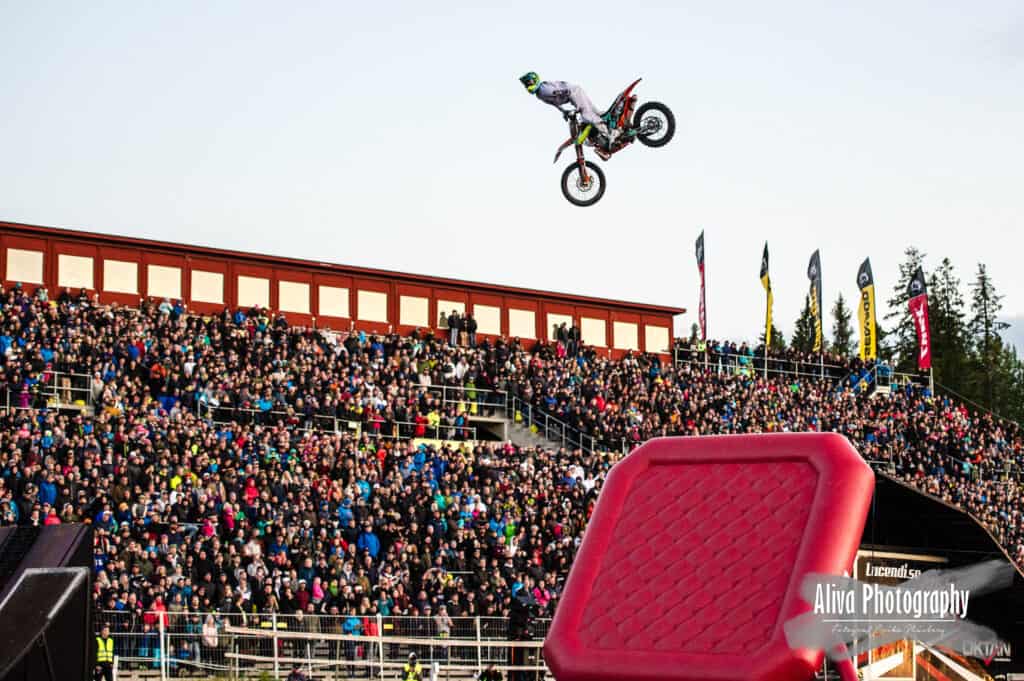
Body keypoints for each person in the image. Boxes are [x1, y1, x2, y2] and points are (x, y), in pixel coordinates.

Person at [519, 71, 618, 152]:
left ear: (535, 80)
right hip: (575, 92)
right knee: (594, 112)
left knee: (587, 116)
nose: (527, 86)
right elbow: (555, 104)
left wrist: (577, 109)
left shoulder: (543, 89)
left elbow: (565, 92)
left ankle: (610, 135)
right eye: (526, 84)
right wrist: (564, 111)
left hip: (574, 93)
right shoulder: (540, 95)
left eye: (529, 82)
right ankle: (614, 120)